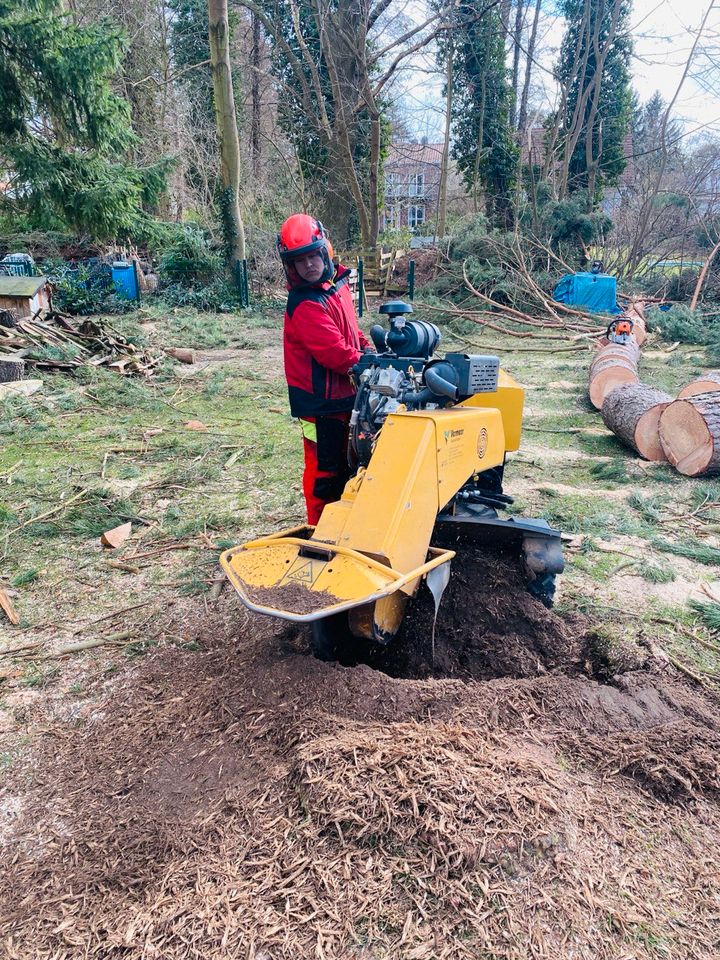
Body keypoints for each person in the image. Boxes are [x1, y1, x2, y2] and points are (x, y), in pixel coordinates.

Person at [277, 214, 372, 525]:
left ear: (325, 251)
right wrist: (364, 363)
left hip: (344, 396)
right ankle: (318, 529)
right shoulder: (304, 303)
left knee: (351, 463)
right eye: (299, 261)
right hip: (320, 404)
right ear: (290, 266)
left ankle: (344, 523)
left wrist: (369, 349)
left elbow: (351, 332)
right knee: (324, 471)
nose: (308, 265)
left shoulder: (335, 287)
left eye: (312, 256)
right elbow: (335, 352)